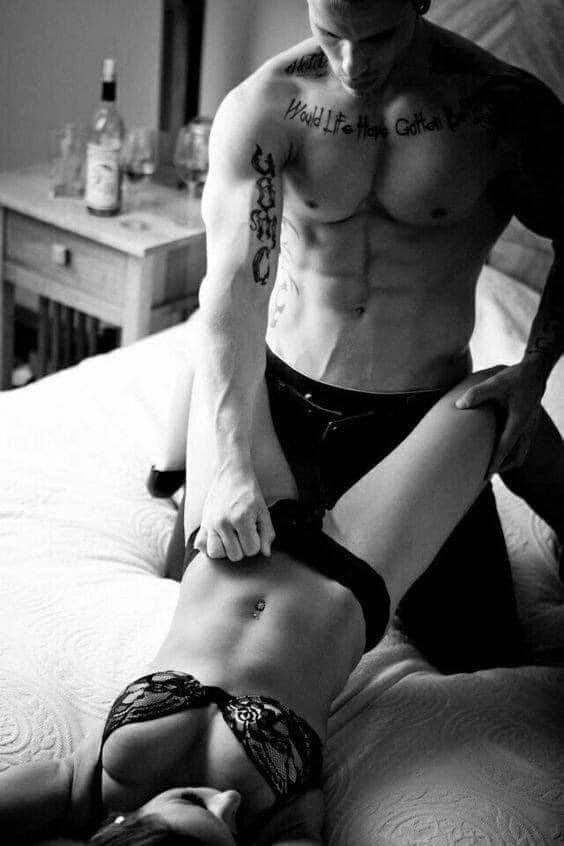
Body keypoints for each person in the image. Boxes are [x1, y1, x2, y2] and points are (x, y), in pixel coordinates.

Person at [160, 0, 564, 673]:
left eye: (377, 37)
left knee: (478, 655)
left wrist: (535, 368)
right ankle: (179, 465)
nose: (352, 63)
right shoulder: (268, 104)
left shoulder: (502, 109)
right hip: (279, 402)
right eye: (330, 34)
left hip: (417, 425)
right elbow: (232, 288)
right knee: (210, 631)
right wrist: (231, 461)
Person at [1, 366, 501, 844]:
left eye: (197, 806)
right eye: (232, 829)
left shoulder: (91, 789)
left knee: (230, 345)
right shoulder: (275, 826)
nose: (229, 803)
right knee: (492, 399)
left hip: (230, 532)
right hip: (352, 570)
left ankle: (171, 463)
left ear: (124, 829)